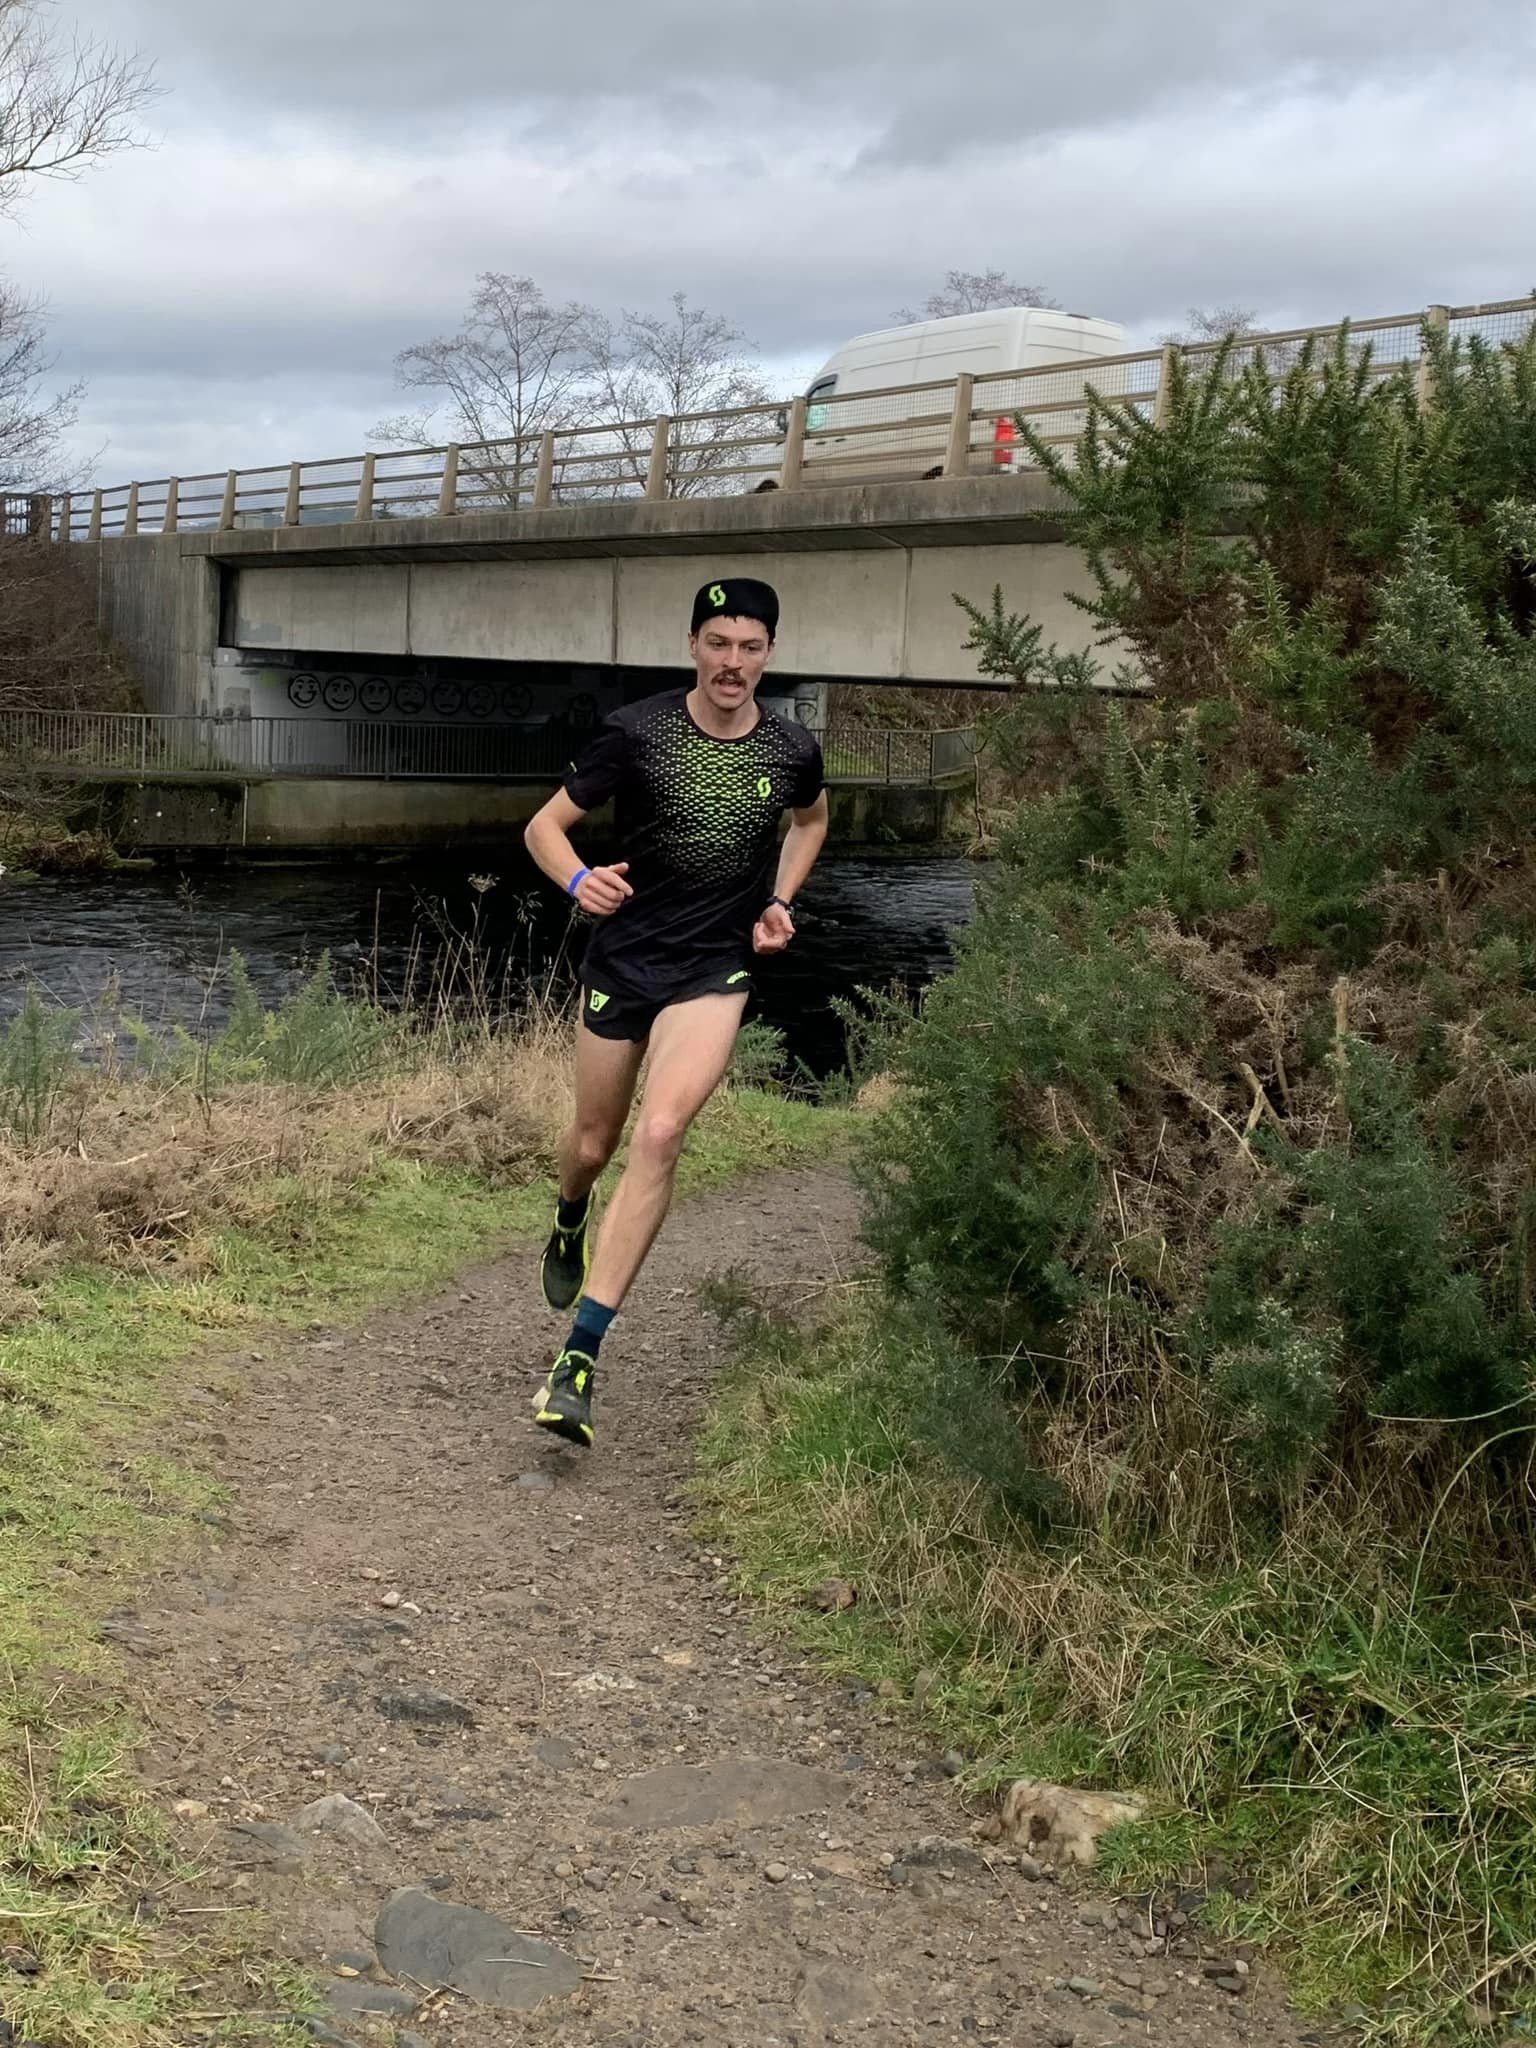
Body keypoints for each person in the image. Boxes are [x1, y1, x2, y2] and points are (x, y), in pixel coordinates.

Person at [521, 577, 828, 1448]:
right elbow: (543, 829)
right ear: (693, 644)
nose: (734, 663)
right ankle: (570, 1214)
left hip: (713, 967)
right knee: (593, 1145)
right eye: (719, 643)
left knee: (659, 1136)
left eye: (750, 647)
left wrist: (780, 899)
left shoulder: (791, 748)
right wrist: (580, 880)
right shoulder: (637, 733)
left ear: (769, 654)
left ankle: (579, 1359)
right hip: (625, 960)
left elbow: (810, 822)